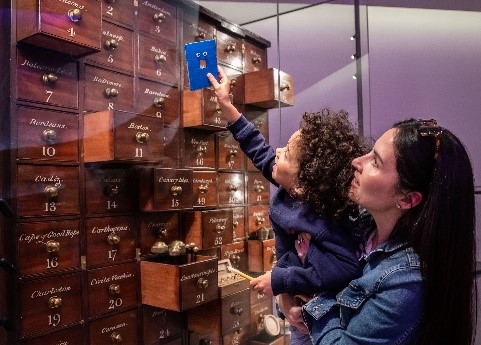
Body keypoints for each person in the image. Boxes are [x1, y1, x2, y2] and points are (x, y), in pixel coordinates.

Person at [207, 67, 367, 343]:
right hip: (296, 303)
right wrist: (227, 106)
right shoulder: (292, 187)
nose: (277, 152)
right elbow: (257, 147)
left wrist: (281, 280)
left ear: (303, 183)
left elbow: (346, 268)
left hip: (322, 313)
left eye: (287, 153)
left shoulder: (322, 219)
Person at [303, 119, 476, 344]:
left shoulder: (406, 282)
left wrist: (315, 301)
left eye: (375, 161)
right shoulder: (360, 226)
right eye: (370, 152)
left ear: (407, 199)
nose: (356, 161)